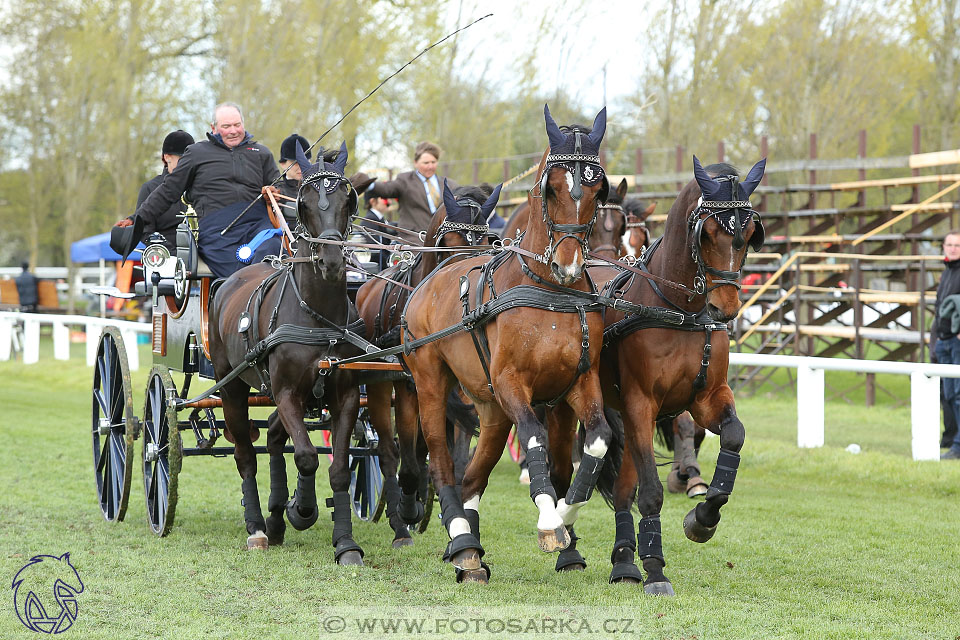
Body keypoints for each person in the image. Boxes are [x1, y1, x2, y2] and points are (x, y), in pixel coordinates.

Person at [133, 103, 282, 278]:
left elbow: (279, 189)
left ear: (243, 124)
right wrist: (136, 220)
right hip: (217, 230)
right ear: (214, 128)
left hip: (258, 225)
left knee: (274, 249)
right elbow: (168, 190)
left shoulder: (261, 153)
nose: (233, 131)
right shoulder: (196, 153)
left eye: (237, 125)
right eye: (226, 126)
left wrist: (275, 192)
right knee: (239, 271)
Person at [115, 130, 195, 253]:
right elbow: (146, 231)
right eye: (181, 160)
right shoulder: (150, 188)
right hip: (164, 258)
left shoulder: (199, 186)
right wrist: (174, 255)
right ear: (166, 157)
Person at [365, 141, 457, 233]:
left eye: (433, 162)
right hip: (412, 239)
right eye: (426, 163)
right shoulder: (405, 180)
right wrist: (367, 184)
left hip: (441, 240)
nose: (430, 166)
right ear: (415, 163)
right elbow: (387, 188)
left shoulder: (450, 184)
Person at [933, 230, 960, 459]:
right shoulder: (947, 272)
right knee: (948, 394)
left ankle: (958, 446)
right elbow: (938, 308)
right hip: (944, 340)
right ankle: (951, 438)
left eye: (957, 245)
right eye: (949, 244)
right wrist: (936, 341)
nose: (953, 248)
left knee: (958, 394)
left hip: (957, 341)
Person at [276, 133, 311, 227]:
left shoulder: (318, 189)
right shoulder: (276, 192)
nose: (301, 167)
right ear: (282, 164)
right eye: (295, 163)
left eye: (304, 162)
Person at [360, 191, 393, 270]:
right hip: (378, 270)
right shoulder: (369, 220)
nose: (389, 202)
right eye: (384, 199)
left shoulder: (379, 219)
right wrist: (389, 265)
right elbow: (376, 249)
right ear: (373, 201)